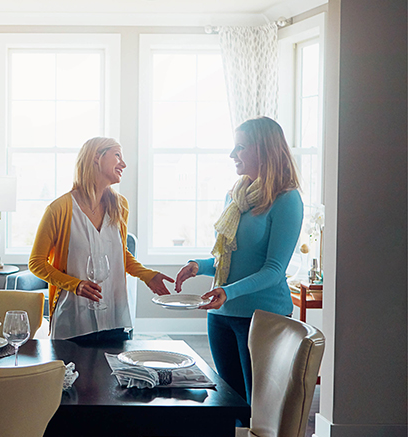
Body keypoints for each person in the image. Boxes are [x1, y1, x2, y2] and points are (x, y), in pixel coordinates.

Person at [175, 116, 303, 405]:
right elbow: (225, 259)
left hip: (262, 318)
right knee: (229, 404)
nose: (232, 155)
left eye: (240, 147)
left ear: (264, 150)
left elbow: (274, 270)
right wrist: (198, 266)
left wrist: (227, 291)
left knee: (258, 406)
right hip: (220, 316)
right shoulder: (234, 197)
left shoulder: (287, 200)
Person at [29, 137, 173, 342]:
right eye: (117, 156)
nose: (123, 164)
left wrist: (147, 275)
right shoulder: (59, 209)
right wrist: (74, 284)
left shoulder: (120, 205)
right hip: (73, 320)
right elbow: (36, 263)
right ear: (97, 157)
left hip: (113, 316)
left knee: (111, 374)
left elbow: (118, 253)